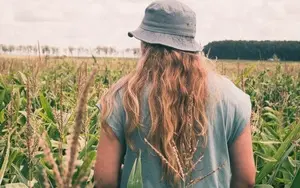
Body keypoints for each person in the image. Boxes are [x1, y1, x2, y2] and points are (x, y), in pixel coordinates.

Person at [94, 0, 256, 187]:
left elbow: (104, 180)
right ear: (191, 45)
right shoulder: (232, 98)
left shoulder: (121, 96)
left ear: (145, 45)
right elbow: (246, 179)